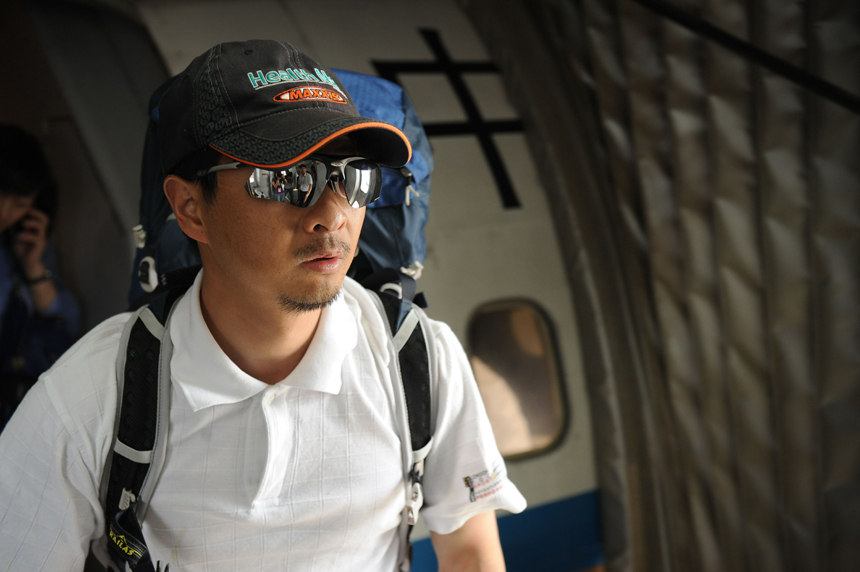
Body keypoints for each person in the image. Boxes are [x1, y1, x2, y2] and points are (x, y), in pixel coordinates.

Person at [0, 40, 525, 571]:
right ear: (189, 208)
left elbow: (470, 549)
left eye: (354, 178)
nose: (333, 216)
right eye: (288, 179)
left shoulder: (418, 360)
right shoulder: (90, 399)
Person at [0, 124, 80, 431]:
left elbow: (64, 324)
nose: (5, 213)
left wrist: (33, 267)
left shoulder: (19, 248)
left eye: (19, 205)